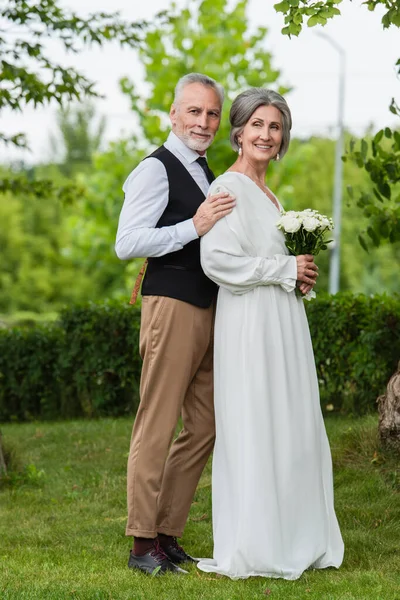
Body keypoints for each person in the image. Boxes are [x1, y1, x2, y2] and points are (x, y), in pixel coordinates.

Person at [197, 88, 344, 580]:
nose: (266, 134)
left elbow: (269, 261)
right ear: (239, 132)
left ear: (283, 138)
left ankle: (296, 534)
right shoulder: (227, 187)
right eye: (257, 124)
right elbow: (216, 259)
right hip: (249, 325)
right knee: (257, 421)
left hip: (283, 321)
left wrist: (297, 274)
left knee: (291, 424)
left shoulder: (269, 193)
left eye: (275, 126)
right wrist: (283, 268)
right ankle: (258, 544)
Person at [115, 73, 236, 576]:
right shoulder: (156, 169)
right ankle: (142, 543)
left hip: (210, 308)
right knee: (158, 423)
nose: (204, 123)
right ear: (173, 114)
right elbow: (128, 242)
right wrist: (195, 226)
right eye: (194, 112)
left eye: (212, 114)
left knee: (204, 427)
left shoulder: (206, 171)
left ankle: (167, 532)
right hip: (170, 305)